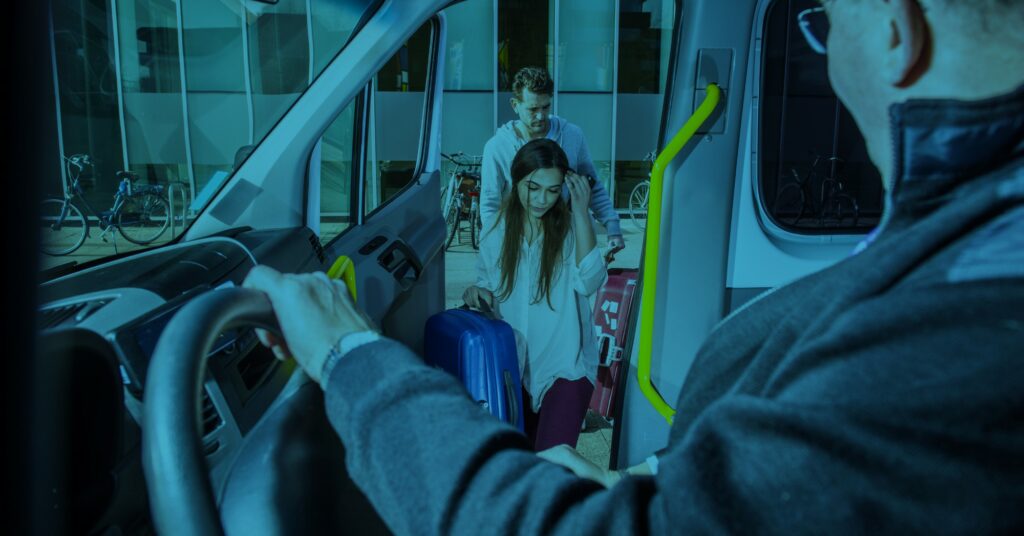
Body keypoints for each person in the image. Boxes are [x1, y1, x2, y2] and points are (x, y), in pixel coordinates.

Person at [245, 0, 1024, 532]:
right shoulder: (960, 250)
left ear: (897, 27)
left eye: (824, 22)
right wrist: (647, 476)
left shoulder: (963, 329)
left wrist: (351, 353)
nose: (823, 52)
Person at [462, 138, 606, 451]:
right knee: (521, 466)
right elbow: (486, 288)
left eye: (553, 190)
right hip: (514, 371)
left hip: (566, 368)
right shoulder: (495, 231)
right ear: (516, 180)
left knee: (553, 463)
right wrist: (477, 293)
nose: (543, 199)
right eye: (534, 187)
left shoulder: (569, 228)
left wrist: (581, 213)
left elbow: (591, 280)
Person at [481, 66, 626, 262]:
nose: (540, 116)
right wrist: (492, 251)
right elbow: (490, 203)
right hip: (520, 242)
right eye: (533, 109)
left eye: (546, 107)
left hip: (566, 240)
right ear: (515, 105)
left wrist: (612, 227)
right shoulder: (497, 147)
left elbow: (591, 185)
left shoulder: (572, 136)